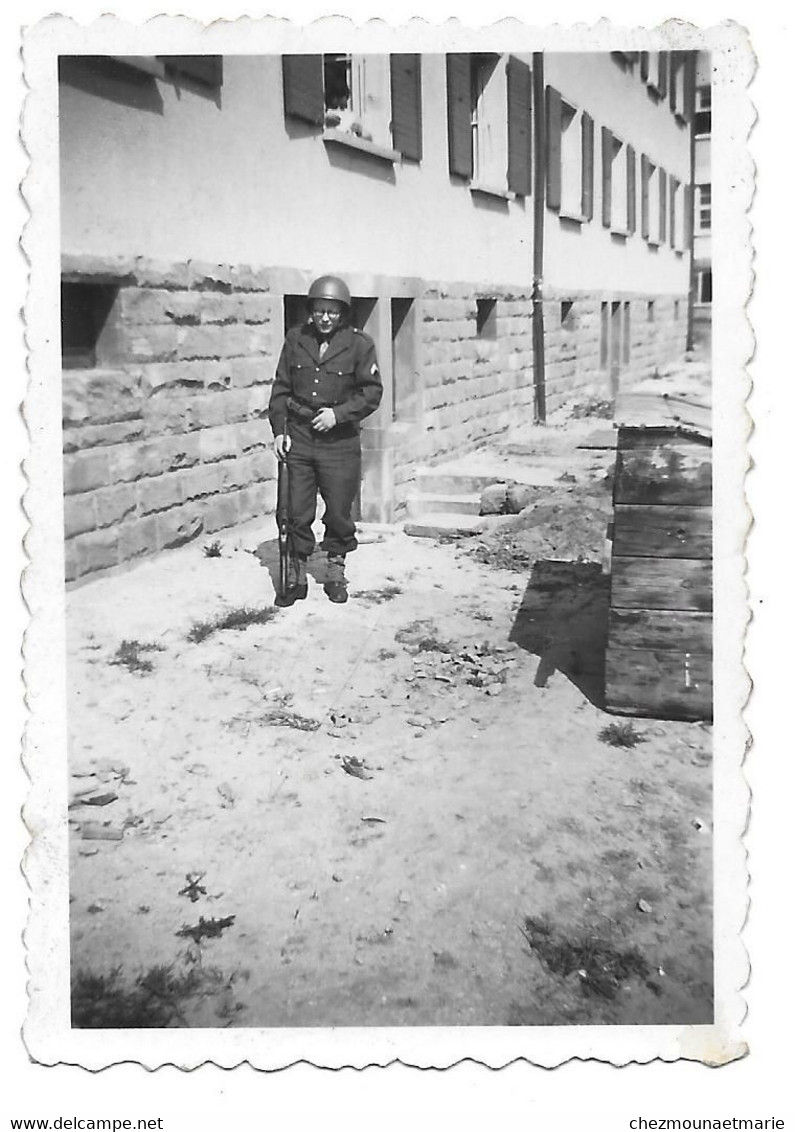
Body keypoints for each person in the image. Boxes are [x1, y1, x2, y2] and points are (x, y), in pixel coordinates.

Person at [268, 275, 383, 606]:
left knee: (338, 511)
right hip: (300, 437)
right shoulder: (295, 340)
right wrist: (279, 431)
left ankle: (334, 568)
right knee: (295, 508)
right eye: (319, 310)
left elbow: (372, 392)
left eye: (332, 311)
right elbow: (281, 389)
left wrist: (339, 414)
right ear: (311, 311)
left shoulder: (360, 345)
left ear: (342, 312)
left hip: (340, 441)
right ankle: (295, 571)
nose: (325, 317)